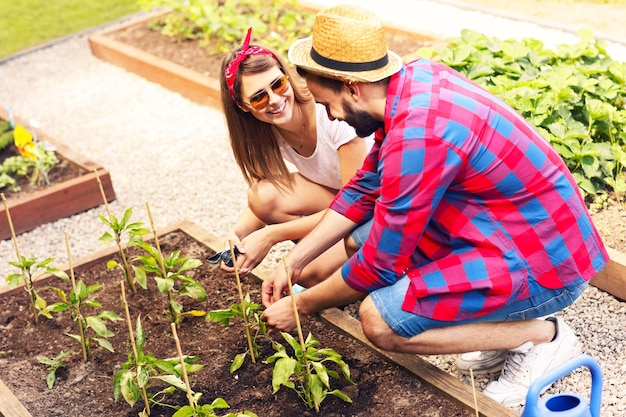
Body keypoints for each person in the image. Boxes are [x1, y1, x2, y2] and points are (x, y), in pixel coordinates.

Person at [260, 4, 609, 408]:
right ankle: (503, 325)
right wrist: (295, 262)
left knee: (379, 321)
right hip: (509, 227)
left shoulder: (420, 135)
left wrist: (302, 305)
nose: (331, 115)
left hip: (545, 260)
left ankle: (542, 337)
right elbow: (363, 189)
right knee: (360, 238)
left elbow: (380, 265)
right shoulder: (414, 81)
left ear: (352, 87)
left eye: (327, 104)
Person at [217, 28, 371, 286]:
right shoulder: (268, 129)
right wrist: (235, 235)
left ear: (287, 75)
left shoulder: (330, 114)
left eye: (278, 84)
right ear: (243, 107)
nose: (275, 100)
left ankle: (354, 263)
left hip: (370, 207)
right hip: (341, 199)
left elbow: (355, 206)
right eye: (258, 98)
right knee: (262, 196)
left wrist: (272, 235)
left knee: (306, 275)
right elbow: (263, 206)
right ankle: (330, 257)